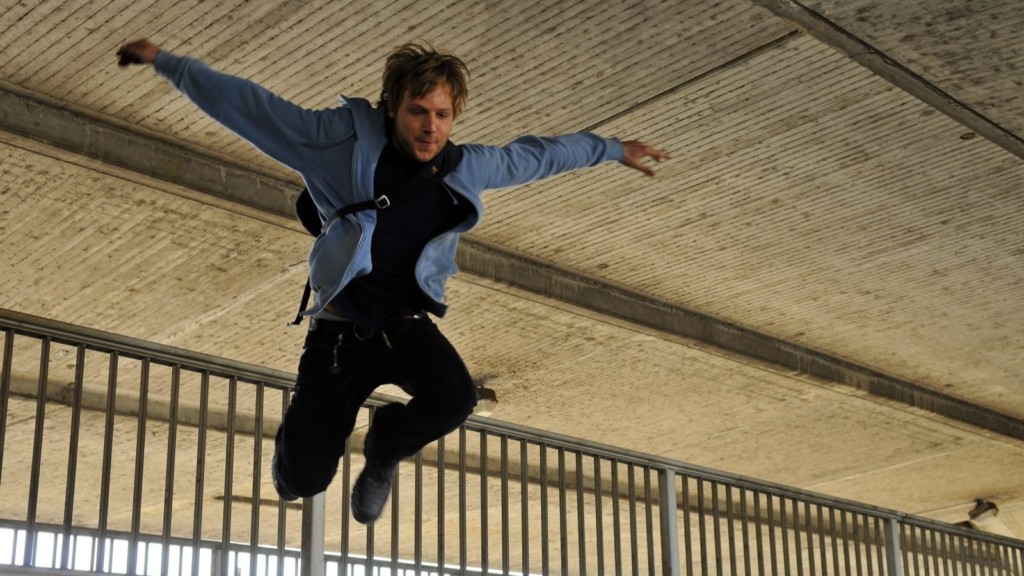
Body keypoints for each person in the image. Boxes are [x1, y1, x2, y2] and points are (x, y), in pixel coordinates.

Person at [116, 38, 669, 524]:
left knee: (455, 398)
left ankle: (383, 450)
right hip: (337, 338)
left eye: (443, 115)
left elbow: (538, 155)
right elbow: (255, 109)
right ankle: (303, 437)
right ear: (391, 108)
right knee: (302, 482)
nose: (431, 127)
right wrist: (170, 64)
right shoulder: (338, 142)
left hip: (402, 327)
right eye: (417, 112)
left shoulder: (464, 167)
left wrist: (613, 149)